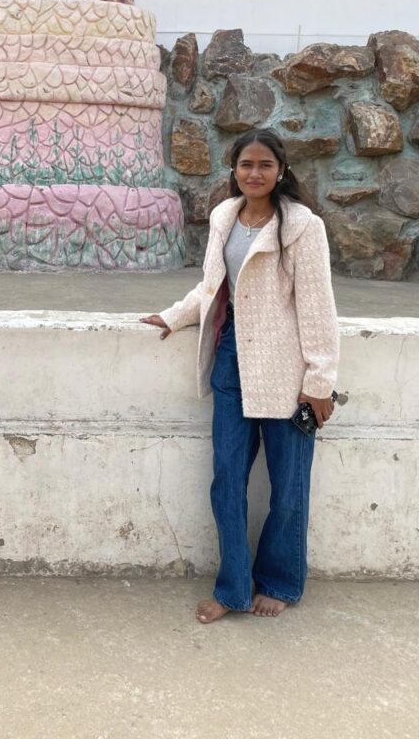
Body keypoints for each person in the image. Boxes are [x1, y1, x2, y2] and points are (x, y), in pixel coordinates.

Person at [142, 129, 339, 623]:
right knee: (227, 480)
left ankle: (280, 582)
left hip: (287, 370)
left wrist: (318, 383)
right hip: (231, 360)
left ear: (281, 171)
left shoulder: (303, 226)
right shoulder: (224, 217)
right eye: (246, 164)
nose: (255, 173)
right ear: (234, 169)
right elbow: (212, 286)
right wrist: (175, 315)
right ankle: (232, 589)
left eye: (265, 165)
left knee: (288, 487)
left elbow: (318, 308)